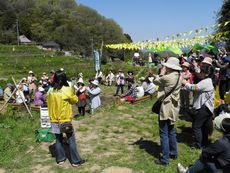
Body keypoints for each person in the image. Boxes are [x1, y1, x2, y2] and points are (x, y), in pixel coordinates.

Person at [47, 70, 85, 167]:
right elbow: (75, 100)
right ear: (64, 78)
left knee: (58, 139)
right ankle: (76, 161)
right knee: (71, 139)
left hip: (54, 119)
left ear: (54, 78)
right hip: (65, 119)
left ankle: (60, 159)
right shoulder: (66, 89)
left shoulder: (50, 90)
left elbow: (48, 103)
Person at [152, 57, 182, 166]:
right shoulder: (179, 76)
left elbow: (156, 81)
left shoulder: (168, 77)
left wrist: (161, 72)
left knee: (164, 133)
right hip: (174, 107)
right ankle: (173, 153)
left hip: (166, 107)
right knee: (171, 131)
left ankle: (165, 159)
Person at [182, 57, 215, 149]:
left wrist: (185, 83)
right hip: (208, 107)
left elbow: (194, 88)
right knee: (204, 126)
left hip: (203, 107)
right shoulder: (208, 80)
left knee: (196, 126)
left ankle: (198, 144)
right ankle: (204, 142)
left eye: (201, 72)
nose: (199, 74)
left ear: (207, 73)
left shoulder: (206, 82)